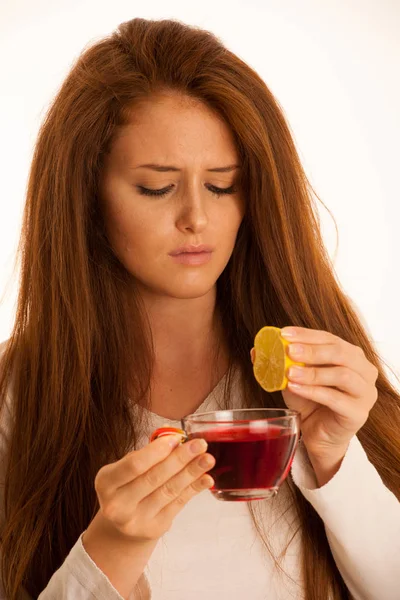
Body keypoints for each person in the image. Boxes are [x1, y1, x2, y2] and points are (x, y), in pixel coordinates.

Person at [0, 16, 399, 600]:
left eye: (222, 185)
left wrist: (338, 463)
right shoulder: (19, 392)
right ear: (86, 196)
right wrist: (111, 550)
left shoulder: (315, 385)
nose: (197, 218)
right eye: (157, 188)